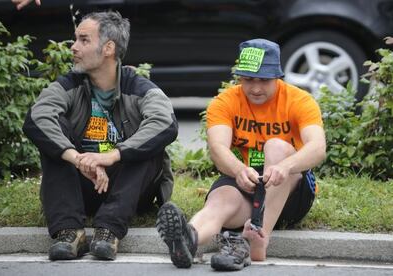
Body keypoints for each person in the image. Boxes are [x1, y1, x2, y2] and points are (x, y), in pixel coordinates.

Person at [156, 39, 326, 271]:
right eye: (248, 80)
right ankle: (189, 239)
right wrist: (238, 170)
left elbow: (317, 147)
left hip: (290, 189)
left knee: (277, 147)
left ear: (278, 76)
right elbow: (218, 149)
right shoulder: (224, 102)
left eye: (264, 80)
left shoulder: (300, 100)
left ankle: (257, 239)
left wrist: (285, 166)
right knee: (221, 200)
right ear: (239, 78)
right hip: (246, 182)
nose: (255, 88)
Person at [23, 11, 178, 261]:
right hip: (81, 184)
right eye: (75, 39)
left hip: (128, 188)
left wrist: (111, 156)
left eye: (84, 40)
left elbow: (166, 123)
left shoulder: (138, 88)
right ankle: (69, 230)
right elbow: (37, 117)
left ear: (108, 48)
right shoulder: (69, 84)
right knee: (52, 132)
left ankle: (108, 230)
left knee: (151, 145)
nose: (73, 47)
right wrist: (79, 159)